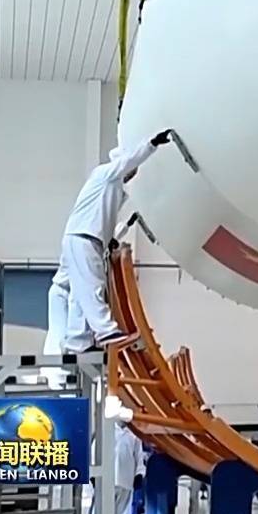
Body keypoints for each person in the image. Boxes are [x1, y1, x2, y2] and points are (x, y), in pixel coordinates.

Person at [53, 131, 171, 353]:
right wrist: (151, 144)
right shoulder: (106, 174)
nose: (133, 173)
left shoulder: (111, 188)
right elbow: (129, 161)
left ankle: (79, 340)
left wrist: (118, 235)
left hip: (83, 238)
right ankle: (106, 331)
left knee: (80, 293)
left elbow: (103, 219)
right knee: (92, 285)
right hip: (83, 237)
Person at [92, 420, 145, 514]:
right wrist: (94, 477)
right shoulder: (105, 430)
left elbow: (139, 458)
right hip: (106, 482)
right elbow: (94, 452)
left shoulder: (134, 434)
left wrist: (139, 476)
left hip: (126, 482)